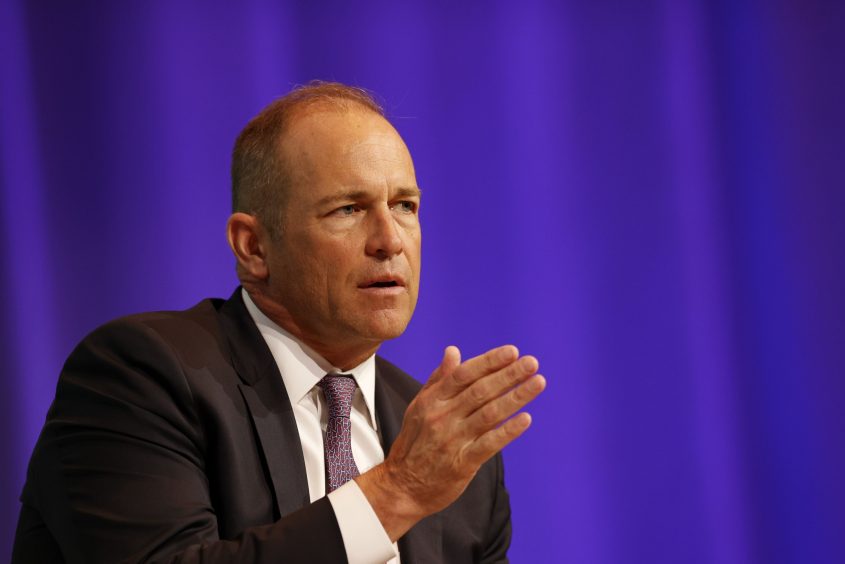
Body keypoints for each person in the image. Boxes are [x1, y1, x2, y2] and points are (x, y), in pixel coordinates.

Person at [12, 82, 546, 563]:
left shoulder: (447, 452)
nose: (390, 240)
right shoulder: (141, 377)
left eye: (405, 205)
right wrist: (397, 491)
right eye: (348, 209)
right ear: (254, 246)